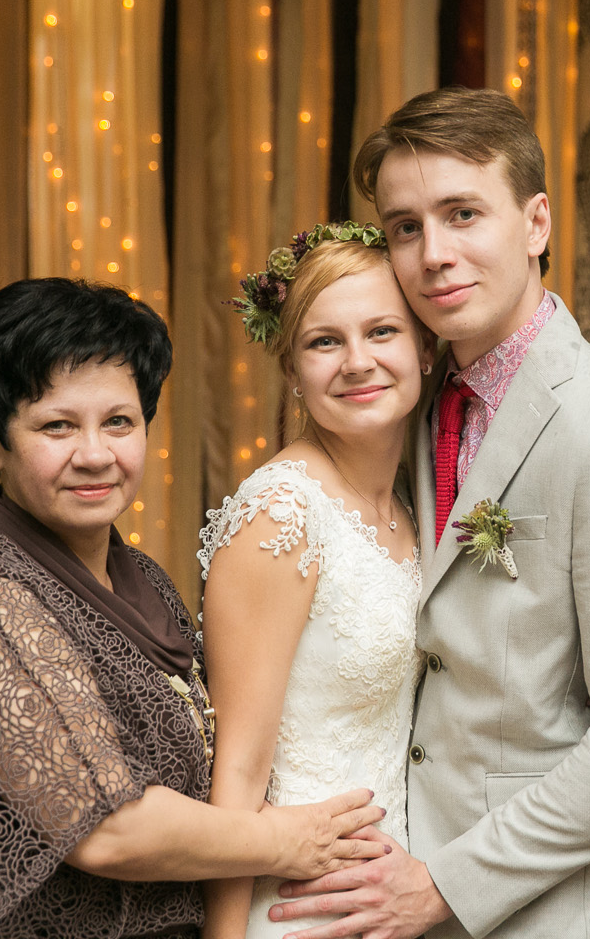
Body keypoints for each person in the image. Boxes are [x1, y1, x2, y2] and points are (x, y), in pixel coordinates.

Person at [267, 87, 590, 939]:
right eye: (406, 227)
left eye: (463, 214)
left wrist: (447, 883)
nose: (434, 254)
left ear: (536, 224)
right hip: (395, 885)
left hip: (554, 914)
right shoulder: (412, 401)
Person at [0, 278, 385, 939]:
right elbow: (106, 830)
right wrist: (285, 843)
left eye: (119, 422)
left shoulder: (142, 579)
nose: (95, 455)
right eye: (57, 426)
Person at [198, 224, 429, 939]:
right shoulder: (282, 513)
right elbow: (236, 774)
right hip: (296, 911)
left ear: (424, 348)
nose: (358, 362)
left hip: (390, 900)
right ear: (293, 371)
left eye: (382, 331)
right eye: (325, 342)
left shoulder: (412, 505)